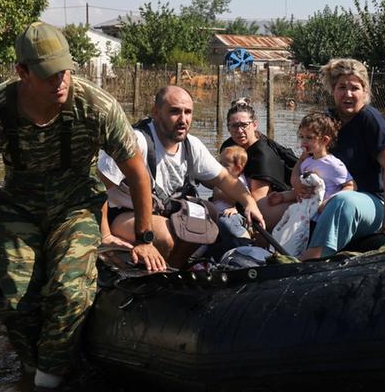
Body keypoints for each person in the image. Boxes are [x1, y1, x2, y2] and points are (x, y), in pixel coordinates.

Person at [0, 21, 166, 390]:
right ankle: (33, 372)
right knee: (18, 303)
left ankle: (46, 389)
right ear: (22, 72)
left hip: (75, 209)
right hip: (19, 210)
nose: (62, 81)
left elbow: (137, 173)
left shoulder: (96, 106)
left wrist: (145, 237)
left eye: (66, 71)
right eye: (50, 74)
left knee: (70, 292)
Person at [99, 85, 264, 268]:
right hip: (125, 214)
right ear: (156, 112)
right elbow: (96, 189)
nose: (183, 119)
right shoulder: (135, 142)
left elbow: (224, 178)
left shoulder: (192, 145)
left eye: (188, 112)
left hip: (164, 210)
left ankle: (175, 268)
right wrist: (105, 236)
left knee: (209, 214)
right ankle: (157, 271)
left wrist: (249, 202)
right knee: (168, 236)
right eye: (175, 112)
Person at [299, 58, 385, 260]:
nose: (348, 94)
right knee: (272, 204)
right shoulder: (327, 119)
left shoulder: (370, 119)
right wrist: (297, 187)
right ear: (333, 90)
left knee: (343, 201)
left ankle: (314, 256)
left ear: (365, 92)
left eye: (355, 88)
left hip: (375, 202)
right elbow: (305, 157)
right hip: (329, 198)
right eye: (342, 87)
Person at [219, 98, 297, 226]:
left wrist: (237, 209)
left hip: (267, 206)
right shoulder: (229, 146)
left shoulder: (261, 155)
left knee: (227, 223)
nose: (239, 130)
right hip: (237, 198)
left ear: (254, 125)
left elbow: (258, 199)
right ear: (228, 127)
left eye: (244, 125)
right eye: (234, 126)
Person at [267, 111, 354, 214]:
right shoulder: (307, 163)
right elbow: (303, 191)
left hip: (325, 216)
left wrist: (329, 203)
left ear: (325, 140)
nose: (303, 141)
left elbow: (350, 186)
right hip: (305, 216)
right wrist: (282, 197)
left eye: (309, 137)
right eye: (302, 137)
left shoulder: (334, 165)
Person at [211, 144, 251, 239]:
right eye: (220, 163)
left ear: (238, 168)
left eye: (225, 165)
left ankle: (245, 239)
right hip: (218, 213)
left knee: (227, 223)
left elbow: (247, 199)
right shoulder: (221, 179)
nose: (220, 167)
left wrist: (236, 209)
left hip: (233, 215)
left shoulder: (239, 182)